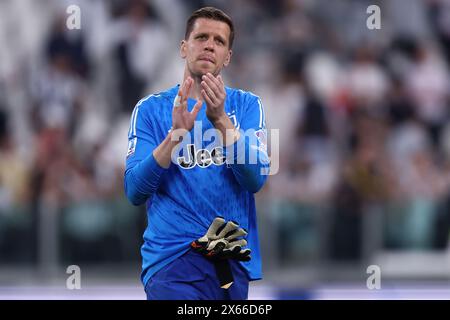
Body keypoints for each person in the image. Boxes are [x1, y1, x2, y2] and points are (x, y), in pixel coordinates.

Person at [124, 6, 270, 300]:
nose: (209, 45)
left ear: (228, 56)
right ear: (183, 47)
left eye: (219, 41)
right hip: (172, 261)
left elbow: (255, 179)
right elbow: (134, 191)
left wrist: (221, 121)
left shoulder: (246, 107)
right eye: (201, 36)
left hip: (229, 261)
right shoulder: (151, 110)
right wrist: (174, 137)